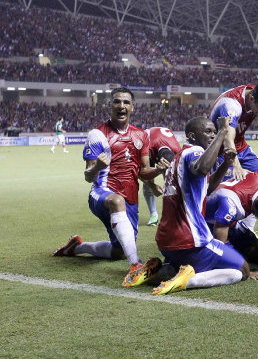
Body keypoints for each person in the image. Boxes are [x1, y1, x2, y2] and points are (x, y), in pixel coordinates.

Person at [123, 116, 258, 294]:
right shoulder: (195, 152)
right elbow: (201, 168)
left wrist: (225, 165)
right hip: (189, 240)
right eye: (208, 131)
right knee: (243, 270)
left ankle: (156, 271)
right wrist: (223, 132)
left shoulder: (178, 157)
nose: (212, 135)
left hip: (166, 240)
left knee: (185, 264)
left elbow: (206, 189)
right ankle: (187, 280)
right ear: (192, 135)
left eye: (214, 132)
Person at [52, 87, 170, 284]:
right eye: (117, 102)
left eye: (126, 102)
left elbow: (143, 171)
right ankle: (135, 266)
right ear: (110, 106)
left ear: (133, 107)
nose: (121, 106)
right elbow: (89, 176)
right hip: (102, 194)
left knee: (119, 251)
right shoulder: (97, 135)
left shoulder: (141, 136)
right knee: (116, 201)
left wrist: (157, 172)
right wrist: (98, 165)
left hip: (130, 200)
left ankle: (77, 247)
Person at [205, 167, 258, 263]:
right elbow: (220, 244)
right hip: (207, 222)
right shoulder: (231, 205)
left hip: (227, 218)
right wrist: (241, 266)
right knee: (222, 256)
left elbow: (255, 176)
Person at [142, 127, 182, 226]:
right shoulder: (147, 148)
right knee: (148, 183)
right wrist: (152, 186)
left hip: (162, 143)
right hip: (150, 143)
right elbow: (140, 172)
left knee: (172, 185)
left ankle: (174, 214)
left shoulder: (179, 153)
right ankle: (153, 215)